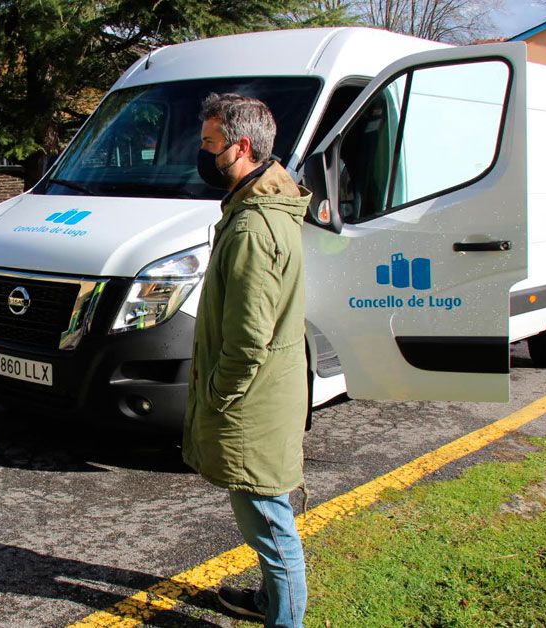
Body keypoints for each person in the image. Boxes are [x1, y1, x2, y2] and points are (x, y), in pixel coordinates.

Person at [183, 93, 312, 628]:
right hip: (263, 398)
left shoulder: (254, 227)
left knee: (270, 521)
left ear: (240, 147)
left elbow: (247, 341)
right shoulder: (255, 209)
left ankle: (285, 620)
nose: (204, 153)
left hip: (251, 406)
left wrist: (217, 394)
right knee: (266, 513)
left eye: (211, 144)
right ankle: (269, 602)